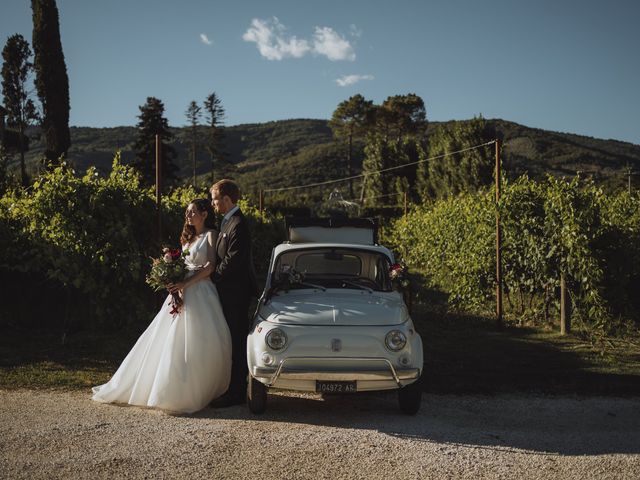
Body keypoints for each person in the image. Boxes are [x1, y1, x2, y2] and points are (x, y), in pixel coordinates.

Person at [92, 199, 232, 414]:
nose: (188, 216)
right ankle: (167, 386)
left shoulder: (210, 235)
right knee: (169, 338)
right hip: (181, 289)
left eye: (192, 212)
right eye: (187, 212)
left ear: (204, 214)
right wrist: (173, 280)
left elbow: (210, 267)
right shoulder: (188, 238)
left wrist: (186, 282)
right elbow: (183, 265)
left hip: (201, 290)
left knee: (199, 338)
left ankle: (197, 388)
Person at [209, 179, 258, 407]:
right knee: (229, 339)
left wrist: (213, 276)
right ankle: (232, 387)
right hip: (227, 291)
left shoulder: (238, 224)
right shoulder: (227, 222)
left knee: (237, 340)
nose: (213, 204)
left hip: (236, 293)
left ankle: (237, 392)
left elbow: (233, 261)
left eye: (216, 199)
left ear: (227, 199)